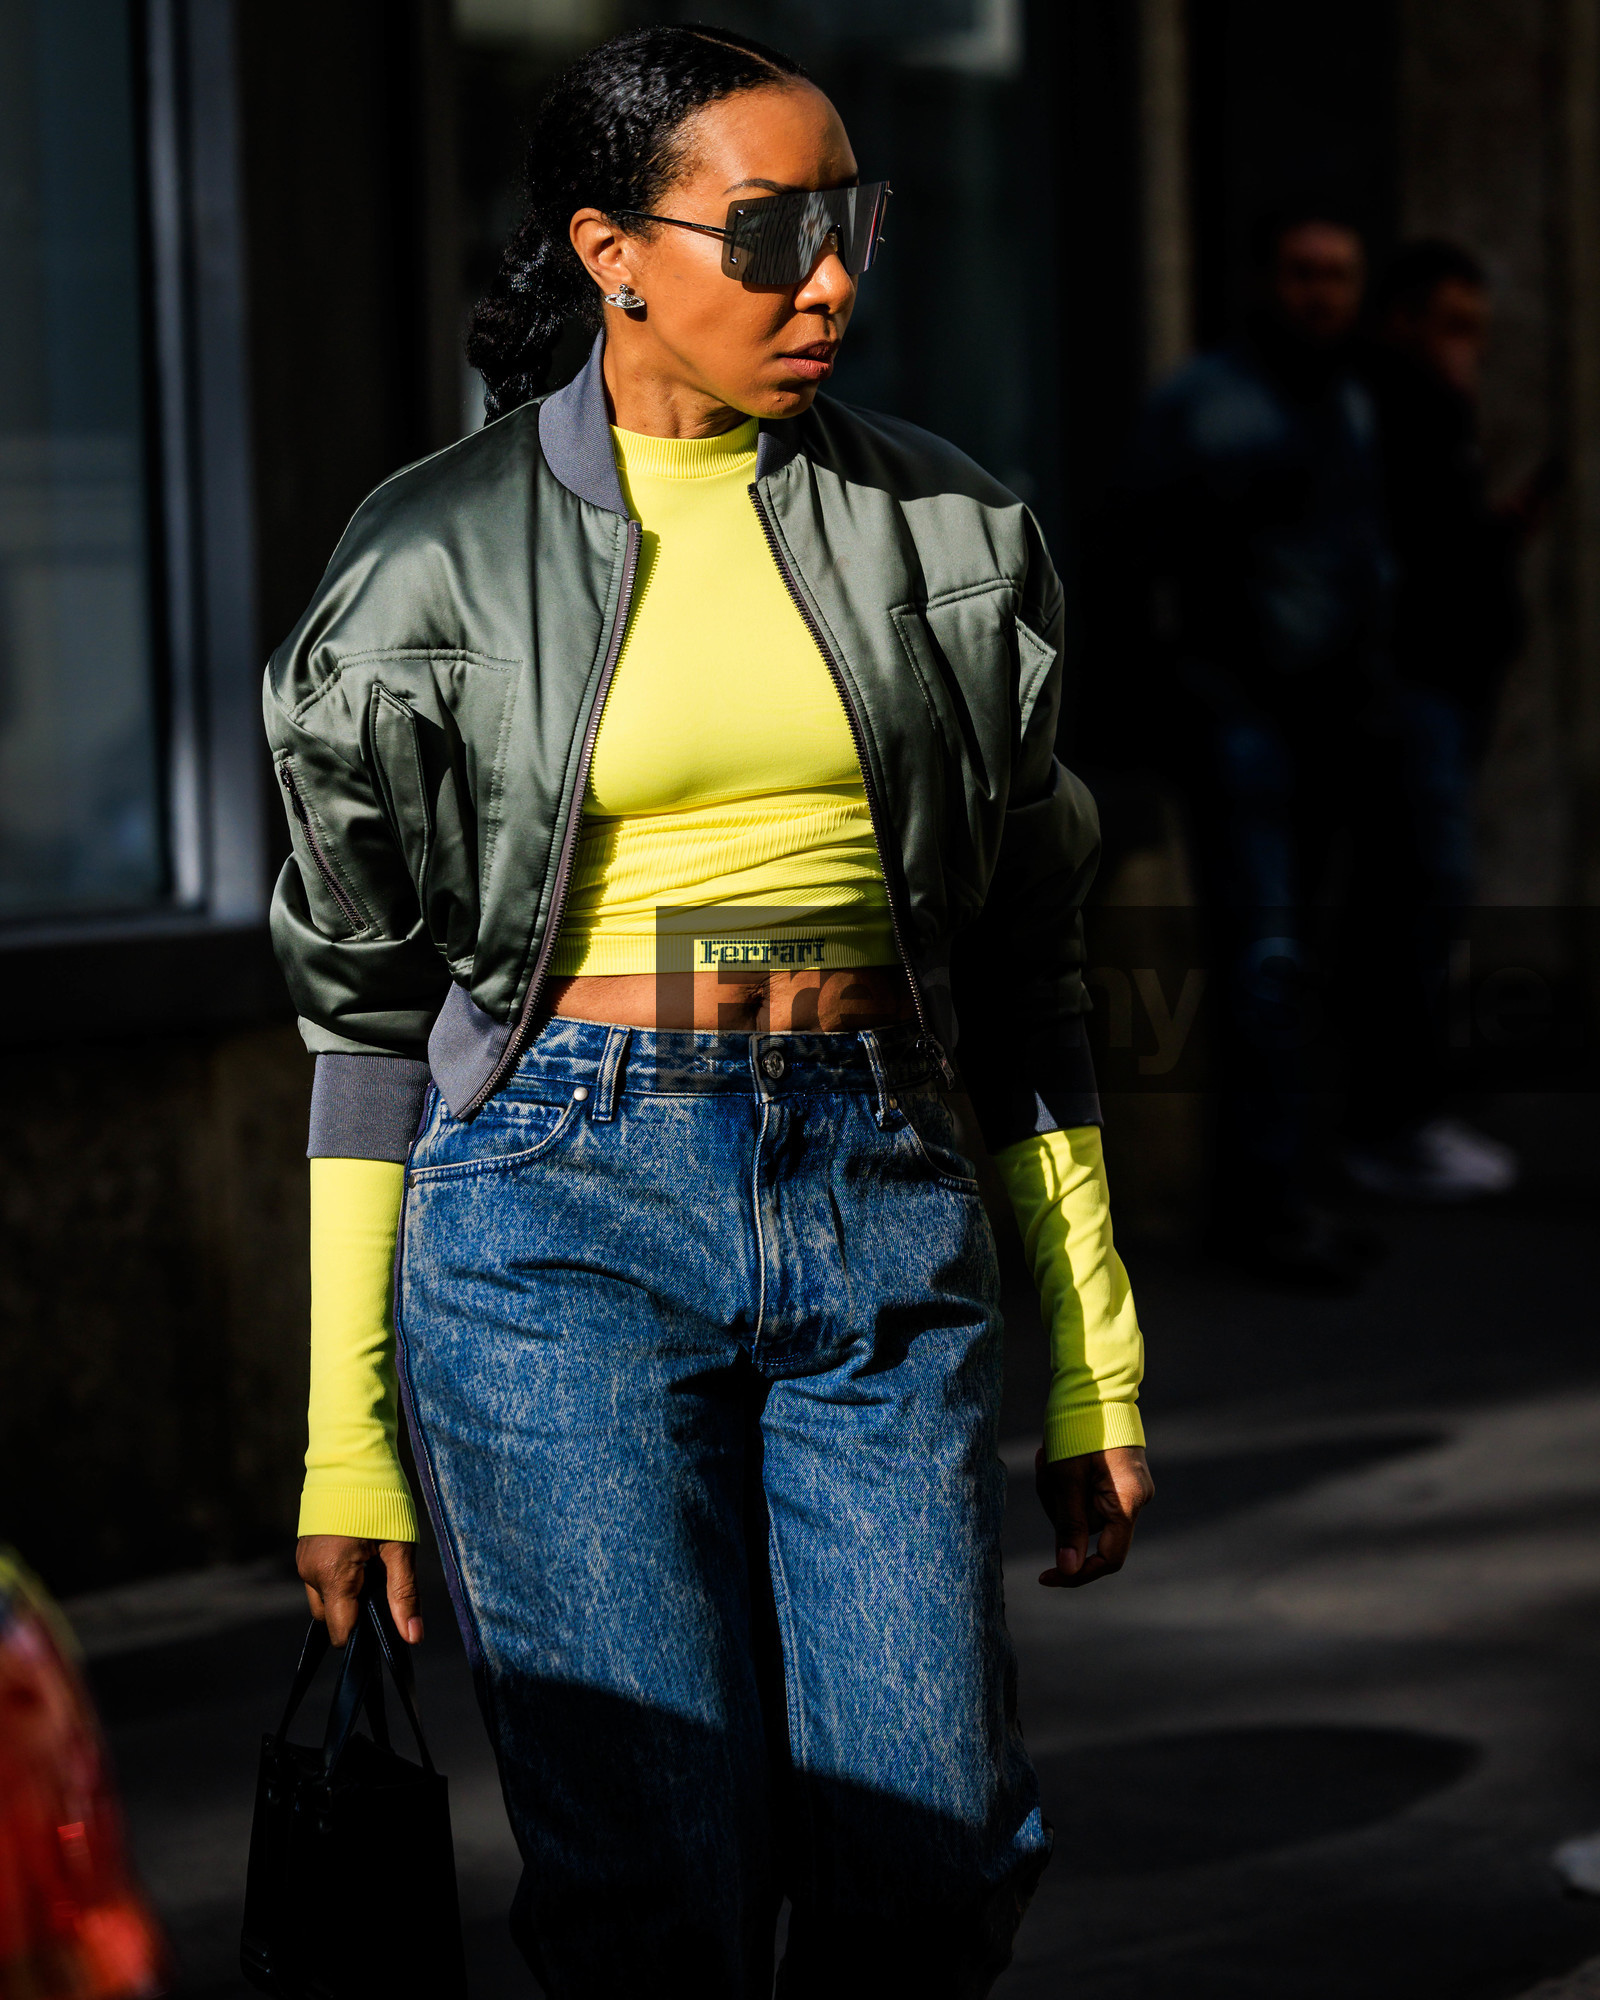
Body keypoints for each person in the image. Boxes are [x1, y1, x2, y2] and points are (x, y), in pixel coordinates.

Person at [266, 25, 1151, 1993]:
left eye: (849, 221)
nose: (827, 275)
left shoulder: (951, 536)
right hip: (552, 1219)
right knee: (652, 1884)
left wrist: (1092, 1359)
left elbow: (1025, 971)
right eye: (768, 232)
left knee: (925, 1853)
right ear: (609, 248)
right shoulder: (425, 565)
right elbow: (361, 1016)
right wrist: (345, 1440)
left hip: (879, 1180)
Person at [1120, 207, 1507, 1290]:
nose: (1319, 294)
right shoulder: (1206, 403)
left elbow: (1364, 556)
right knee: (1263, 960)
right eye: (1301, 273)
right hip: (1242, 722)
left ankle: (1288, 1183)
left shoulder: (1344, 398)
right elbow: (1142, 560)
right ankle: (1263, 1198)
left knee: (1301, 955)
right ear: (1263, 280)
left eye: (1337, 275)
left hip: (1327, 723)